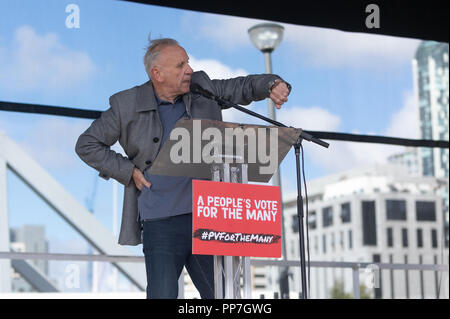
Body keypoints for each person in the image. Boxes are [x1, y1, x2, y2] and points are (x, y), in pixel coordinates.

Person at [75, 37, 291, 299]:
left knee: (221, 296)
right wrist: (128, 170)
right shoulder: (126, 104)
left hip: (208, 216)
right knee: (163, 295)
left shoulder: (202, 87)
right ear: (158, 74)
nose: (189, 69)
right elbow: (87, 144)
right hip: (160, 221)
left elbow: (240, 87)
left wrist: (271, 84)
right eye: (180, 65)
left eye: (188, 62)